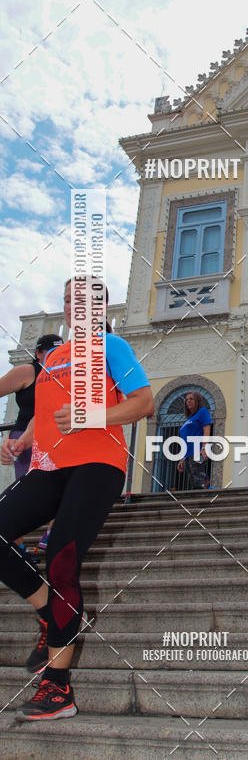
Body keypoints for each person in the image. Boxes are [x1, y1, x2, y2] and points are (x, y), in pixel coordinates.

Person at [0, 277, 154, 721]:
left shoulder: (112, 346)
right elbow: (48, 415)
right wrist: (20, 440)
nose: (73, 306)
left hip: (98, 464)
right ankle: (50, 609)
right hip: (49, 466)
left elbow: (144, 403)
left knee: (62, 558)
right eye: (68, 299)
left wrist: (91, 414)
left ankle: (58, 687)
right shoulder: (52, 359)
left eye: (83, 300)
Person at [0, 334, 64, 480]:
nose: (56, 356)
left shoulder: (64, 373)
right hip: (25, 438)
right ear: (38, 354)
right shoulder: (27, 371)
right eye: (51, 352)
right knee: (29, 484)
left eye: (60, 351)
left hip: (56, 438)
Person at [176, 392, 212, 488]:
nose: (188, 401)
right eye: (187, 399)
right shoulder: (188, 420)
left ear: (197, 401)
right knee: (194, 481)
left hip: (197, 451)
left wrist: (204, 448)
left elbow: (206, 430)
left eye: (191, 399)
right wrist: (182, 458)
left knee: (199, 482)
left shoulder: (202, 412)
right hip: (188, 455)